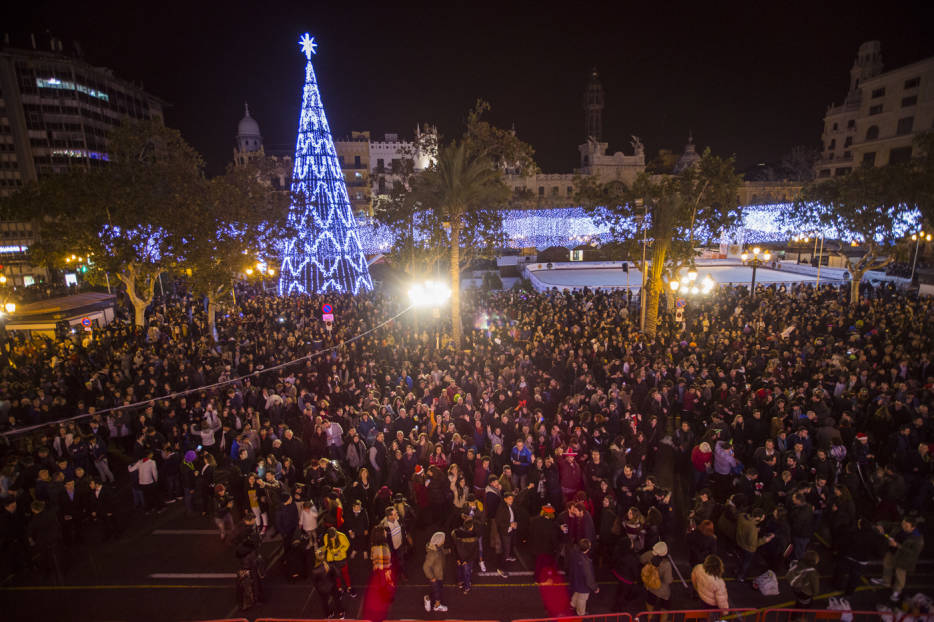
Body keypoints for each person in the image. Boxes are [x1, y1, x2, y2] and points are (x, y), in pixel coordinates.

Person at [870, 515, 925, 602]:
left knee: (900, 575)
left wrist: (897, 545)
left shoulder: (918, 539)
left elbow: (913, 553)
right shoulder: (900, 526)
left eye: (906, 526)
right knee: (887, 566)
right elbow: (888, 524)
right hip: (892, 552)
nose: (903, 526)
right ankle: (886, 581)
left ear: (913, 527)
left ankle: (897, 592)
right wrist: (880, 525)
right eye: (903, 524)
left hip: (904, 558)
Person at [639, 540, 673, 613]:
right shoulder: (666, 564)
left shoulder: (649, 554)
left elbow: (641, 559)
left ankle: (649, 616)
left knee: (650, 601)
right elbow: (668, 580)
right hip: (661, 589)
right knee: (665, 605)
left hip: (649, 585)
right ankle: (663, 618)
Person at [311, 548, 345, 619]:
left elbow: (314, 582)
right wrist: (333, 578)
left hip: (322, 589)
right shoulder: (330, 565)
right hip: (332, 585)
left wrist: (319, 589)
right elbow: (338, 574)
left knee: (324, 602)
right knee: (336, 599)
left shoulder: (315, 570)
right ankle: (341, 613)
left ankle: (328, 615)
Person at [569, 538, 599, 615]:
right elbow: (589, 577)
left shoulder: (575, 554)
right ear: (588, 549)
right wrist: (595, 588)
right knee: (582, 598)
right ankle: (581, 613)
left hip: (575, 580)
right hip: (583, 584)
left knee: (577, 592)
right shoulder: (586, 562)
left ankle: (573, 604)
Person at [324, 526, 356, 597]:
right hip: (332, 560)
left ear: (336, 534)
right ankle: (339, 589)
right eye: (331, 538)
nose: (332, 539)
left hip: (341, 559)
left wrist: (340, 551)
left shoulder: (342, 536)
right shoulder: (326, 537)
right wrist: (333, 552)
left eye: (334, 537)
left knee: (345, 573)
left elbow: (347, 545)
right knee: (336, 575)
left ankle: (349, 588)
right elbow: (327, 546)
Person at [452, 517, 480, 594]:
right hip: (468, 559)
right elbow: (474, 552)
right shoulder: (474, 537)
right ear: (471, 528)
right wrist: (467, 560)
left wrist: (457, 558)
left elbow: (455, 547)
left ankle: (460, 582)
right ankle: (467, 587)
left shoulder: (458, 533)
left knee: (460, 570)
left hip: (459, 558)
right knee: (467, 573)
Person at [422, 531, 449, 612]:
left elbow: (442, 552)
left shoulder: (438, 547)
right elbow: (425, 567)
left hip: (439, 574)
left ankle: (428, 599)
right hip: (436, 576)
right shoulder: (432, 553)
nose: (444, 540)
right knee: (438, 591)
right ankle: (437, 606)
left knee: (438, 589)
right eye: (443, 539)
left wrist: (448, 551)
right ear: (439, 541)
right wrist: (432, 577)